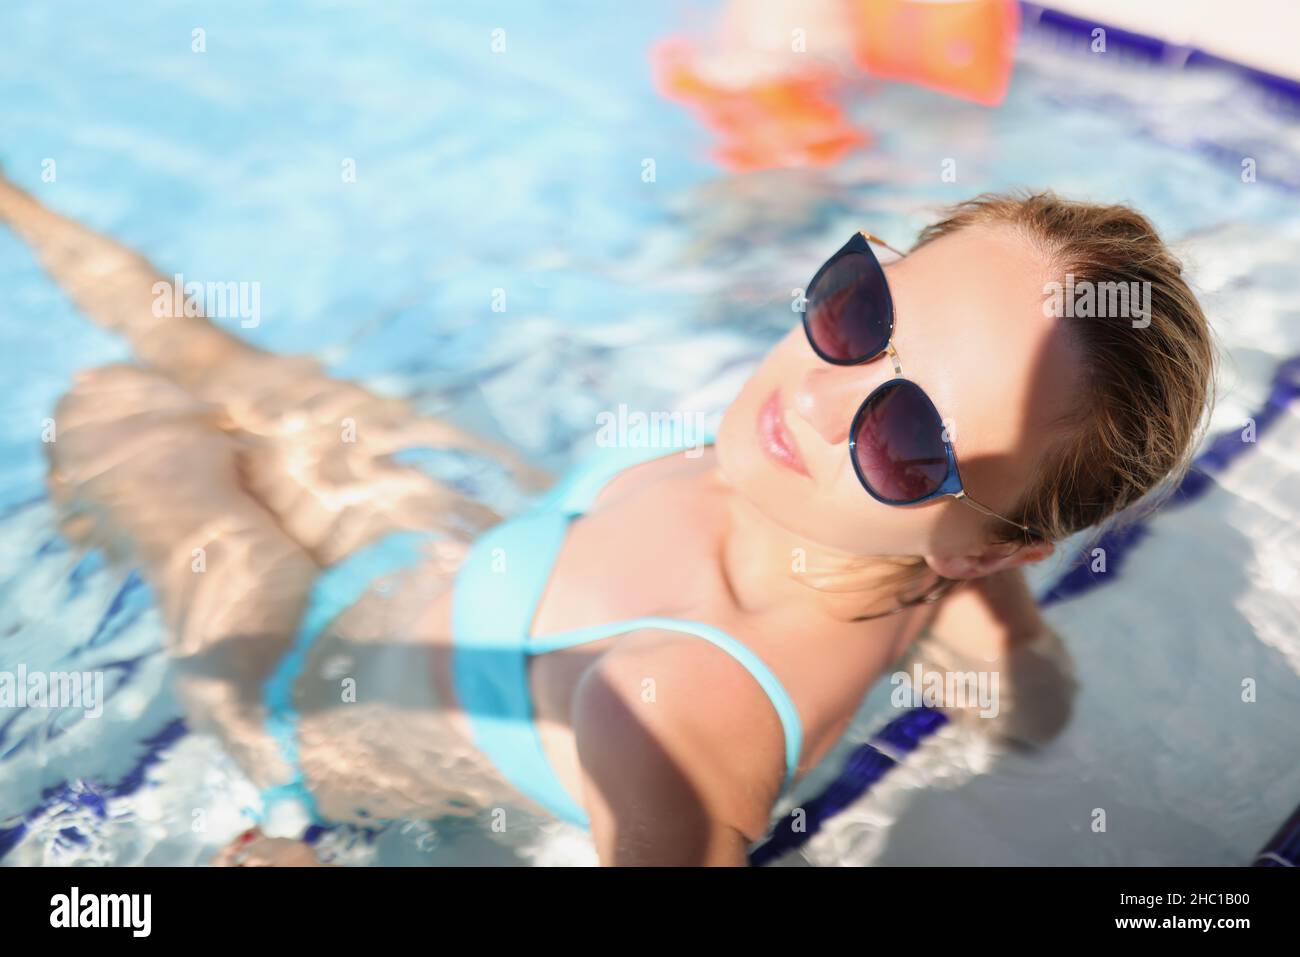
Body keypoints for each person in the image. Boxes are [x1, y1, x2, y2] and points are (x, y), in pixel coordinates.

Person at [0, 176, 1214, 865]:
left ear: (991, 541)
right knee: (214, 357)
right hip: (447, 555)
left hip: (311, 700)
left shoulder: (676, 704)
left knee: (116, 413)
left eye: (908, 435)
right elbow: (1026, 695)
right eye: (858, 311)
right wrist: (1015, 690)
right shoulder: (929, 559)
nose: (812, 388)